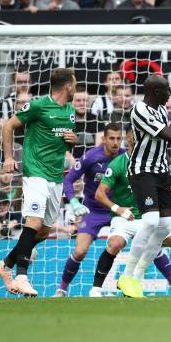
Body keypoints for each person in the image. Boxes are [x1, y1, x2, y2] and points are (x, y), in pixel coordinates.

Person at [92, 126, 171, 297]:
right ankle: (96, 289)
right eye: (135, 135)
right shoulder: (118, 163)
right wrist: (118, 209)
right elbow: (99, 194)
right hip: (126, 219)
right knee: (115, 244)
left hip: (151, 217)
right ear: (129, 138)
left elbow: (165, 188)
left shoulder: (155, 162)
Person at [0, 68, 77, 296]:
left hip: (55, 176)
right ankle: (21, 276)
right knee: (35, 221)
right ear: (68, 85)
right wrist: (9, 158)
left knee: (42, 231)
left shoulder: (70, 111)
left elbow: (65, 144)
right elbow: (9, 125)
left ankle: (5, 265)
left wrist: (74, 140)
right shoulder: (39, 106)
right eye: (75, 84)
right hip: (35, 172)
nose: (76, 87)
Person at [116, 75, 171, 298]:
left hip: (161, 171)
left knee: (163, 227)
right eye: (166, 90)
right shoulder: (139, 110)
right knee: (151, 221)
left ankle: (137, 277)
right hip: (142, 171)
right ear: (155, 91)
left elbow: (163, 146)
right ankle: (125, 275)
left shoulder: (162, 111)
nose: (169, 93)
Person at [52, 123, 125, 297]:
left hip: (117, 210)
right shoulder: (91, 157)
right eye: (112, 138)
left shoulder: (125, 156)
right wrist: (74, 202)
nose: (116, 143)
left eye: (118, 138)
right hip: (93, 210)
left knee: (147, 239)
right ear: (103, 139)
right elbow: (68, 181)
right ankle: (61, 289)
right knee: (80, 251)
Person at [71, 86, 104, 159]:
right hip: (71, 162)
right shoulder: (65, 120)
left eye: (85, 100)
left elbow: (98, 148)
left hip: (92, 160)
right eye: (78, 100)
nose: (82, 103)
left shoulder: (96, 120)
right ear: (72, 102)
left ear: (88, 102)